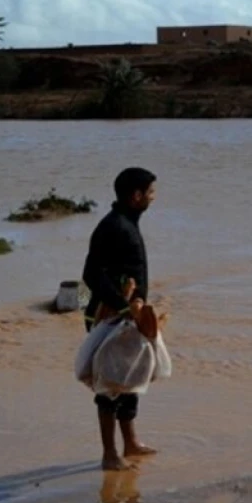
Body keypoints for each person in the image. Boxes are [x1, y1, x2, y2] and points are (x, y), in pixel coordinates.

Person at [82, 167, 158, 471]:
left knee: (132, 377)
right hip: (109, 315)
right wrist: (121, 307)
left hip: (129, 314)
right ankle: (109, 454)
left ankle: (130, 443)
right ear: (136, 195)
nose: (154, 197)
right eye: (151, 192)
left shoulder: (128, 223)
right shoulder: (114, 226)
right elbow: (90, 275)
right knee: (110, 383)